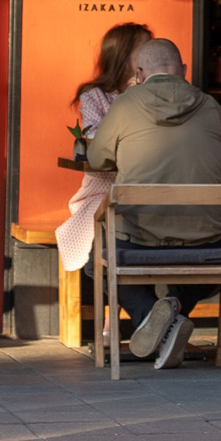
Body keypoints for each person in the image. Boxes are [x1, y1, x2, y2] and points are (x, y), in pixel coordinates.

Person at [86, 36, 221, 370]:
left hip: (140, 239)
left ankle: (151, 319)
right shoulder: (211, 105)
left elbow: (97, 160)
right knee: (211, 271)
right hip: (207, 243)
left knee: (96, 260)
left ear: (139, 72)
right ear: (183, 69)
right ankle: (174, 313)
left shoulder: (125, 105)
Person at [58, 23, 154, 280]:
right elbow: (98, 142)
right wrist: (130, 100)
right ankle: (124, 315)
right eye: (144, 49)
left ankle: (121, 316)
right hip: (104, 191)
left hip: (148, 189)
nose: (150, 55)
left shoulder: (157, 93)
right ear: (122, 55)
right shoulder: (94, 95)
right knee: (108, 242)